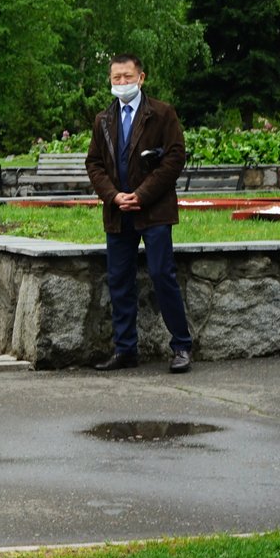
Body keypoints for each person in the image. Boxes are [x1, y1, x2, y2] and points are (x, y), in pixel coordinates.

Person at [83, 55, 194, 373]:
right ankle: (125, 349)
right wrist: (114, 196)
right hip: (118, 212)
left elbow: (174, 158)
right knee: (119, 280)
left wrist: (141, 195)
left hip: (154, 210)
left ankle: (182, 345)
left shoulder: (161, 113)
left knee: (162, 275)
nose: (121, 83)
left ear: (141, 78)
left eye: (127, 77)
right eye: (116, 78)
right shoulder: (104, 119)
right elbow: (94, 163)